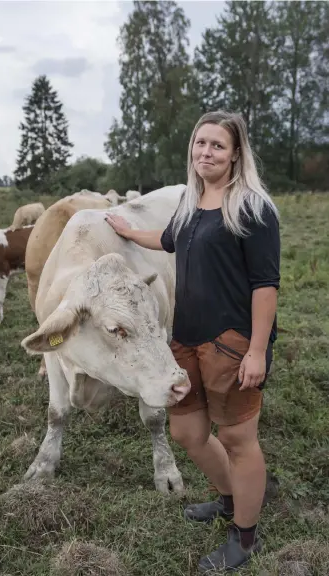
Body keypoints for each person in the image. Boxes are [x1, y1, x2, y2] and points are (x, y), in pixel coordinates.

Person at [105, 110, 280, 573]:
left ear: (236, 152)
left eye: (217, 145)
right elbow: (167, 240)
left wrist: (257, 349)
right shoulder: (190, 202)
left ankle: (245, 537)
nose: (206, 152)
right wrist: (124, 231)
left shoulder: (252, 207)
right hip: (185, 338)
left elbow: (266, 284)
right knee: (187, 432)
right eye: (200, 143)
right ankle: (229, 499)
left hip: (232, 342)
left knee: (238, 439)